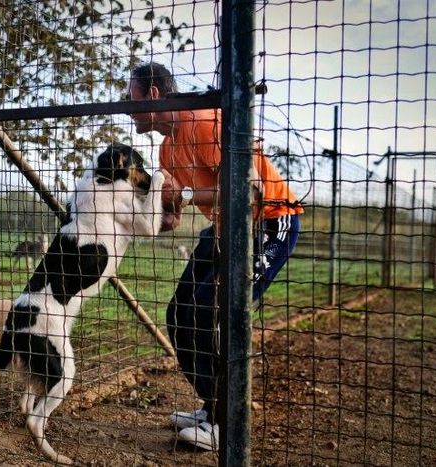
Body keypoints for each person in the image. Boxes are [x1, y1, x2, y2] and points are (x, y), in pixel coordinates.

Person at [125, 62, 303, 451]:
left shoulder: (205, 122)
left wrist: (184, 196)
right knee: (179, 312)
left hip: (268, 223)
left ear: (153, 95)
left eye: (131, 97)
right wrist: (159, 213)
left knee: (212, 309)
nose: (126, 107)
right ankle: (213, 407)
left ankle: (227, 424)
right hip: (223, 229)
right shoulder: (167, 150)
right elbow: (175, 214)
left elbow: (249, 193)